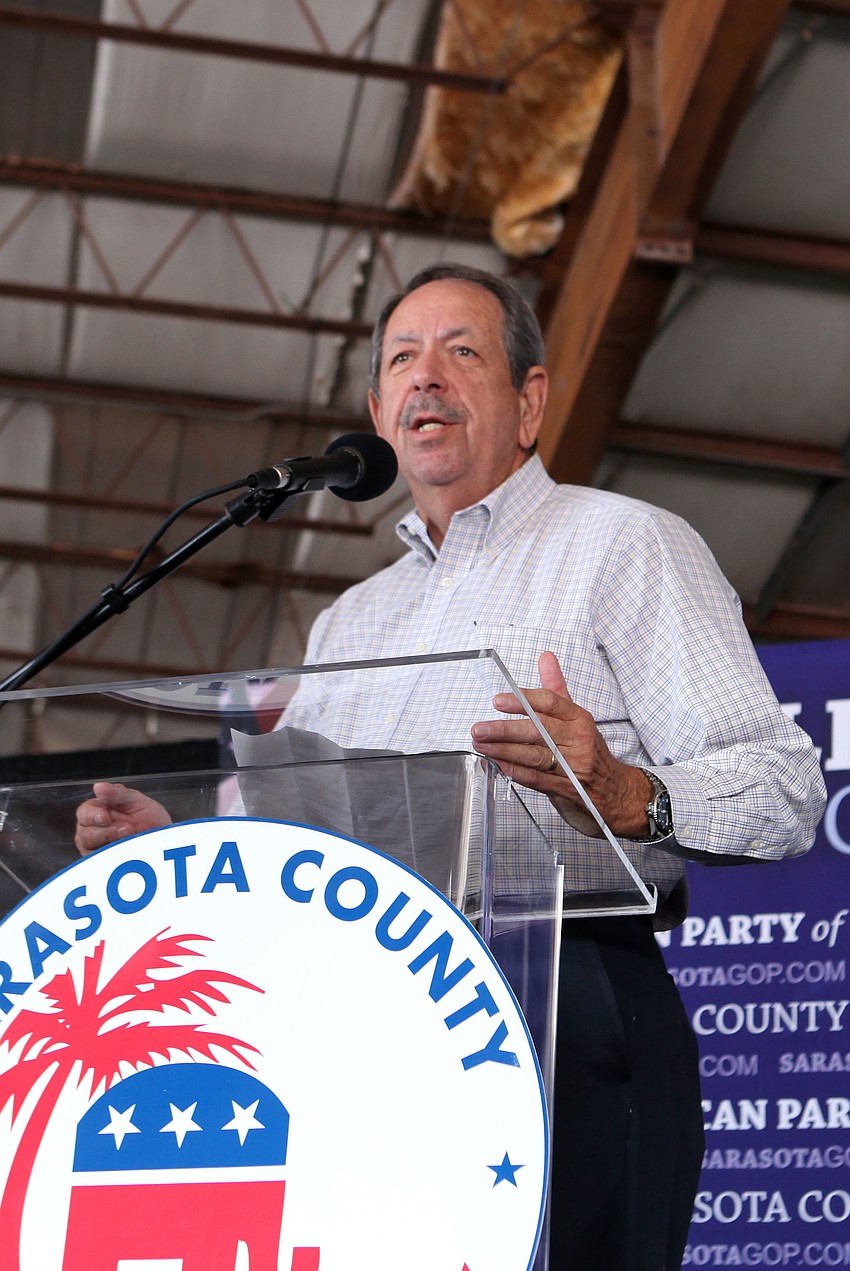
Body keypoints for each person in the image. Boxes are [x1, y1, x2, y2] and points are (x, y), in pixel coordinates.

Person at [76, 263, 826, 1270]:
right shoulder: (349, 623)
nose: (425, 377)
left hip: (565, 1006)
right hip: (364, 1040)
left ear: (528, 401)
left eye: (460, 351)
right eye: (401, 359)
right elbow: (288, 835)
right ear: (379, 414)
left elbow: (783, 788)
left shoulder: (626, 545)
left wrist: (616, 787)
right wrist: (178, 849)